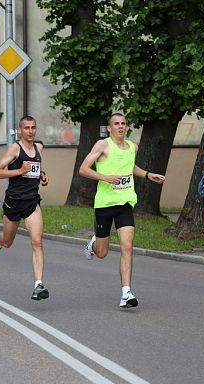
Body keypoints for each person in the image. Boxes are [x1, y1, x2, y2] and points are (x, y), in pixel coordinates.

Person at [79, 113, 165, 308]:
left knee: (127, 246)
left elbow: (130, 167)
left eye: (123, 124)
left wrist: (148, 174)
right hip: (104, 204)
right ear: (109, 128)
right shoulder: (102, 145)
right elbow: (83, 169)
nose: (120, 127)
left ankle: (126, 293)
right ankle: (93, 245)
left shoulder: (132, 147)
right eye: (116, 124)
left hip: (125, 202)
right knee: (102, 253)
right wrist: (104, 177)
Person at [0, 115, 50, 301]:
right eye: (27, 128)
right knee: (8, 242)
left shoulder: (38, 148)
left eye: (33, 128)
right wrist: (19, 171)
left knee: (37, 241)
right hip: (14, 201)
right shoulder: (15, 149)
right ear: (20, 130)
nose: (30, 131)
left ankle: (38, 285)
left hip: (32, 202)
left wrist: (42, 176)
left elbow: (35, 168)